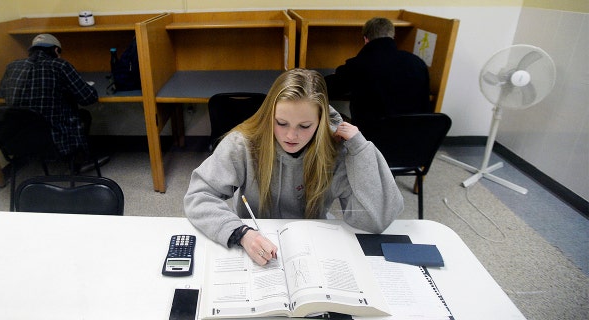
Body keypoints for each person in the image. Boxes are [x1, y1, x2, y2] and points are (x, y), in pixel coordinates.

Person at [184, 68, 404, 266]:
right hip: (254, 241)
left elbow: (376, 221)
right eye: (281, 123)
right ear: (270, 116)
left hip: (314, 246)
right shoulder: (243, 144)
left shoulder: (337, 151)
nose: (291, 136)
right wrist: (240, 233)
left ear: (320, 122)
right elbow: (198, 196)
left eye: (305, 126)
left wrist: (362, 151)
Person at [0, 33, 100, 163]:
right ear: (56, 50)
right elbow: (88, 98)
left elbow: (1, 94)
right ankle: (80, 160)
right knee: (83, 115)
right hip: (56, 138)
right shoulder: (60, 66)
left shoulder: (12, 66)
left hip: (20, 138)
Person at [325, 17, 431, 135]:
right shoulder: (417, 63)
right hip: (414, 138)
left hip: (373, 140)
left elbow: (328, 88)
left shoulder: (358, 64)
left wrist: (336, 74)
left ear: (366, 39)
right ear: (392, 36)